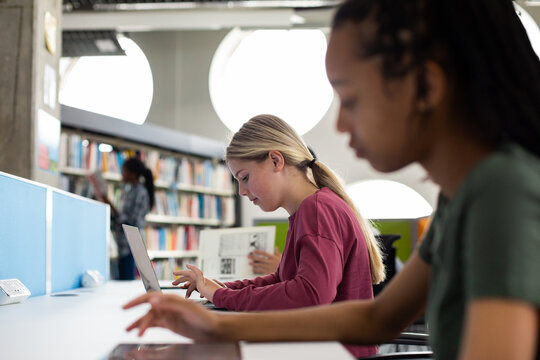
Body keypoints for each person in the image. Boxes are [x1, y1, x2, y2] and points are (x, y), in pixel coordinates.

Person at [123, 0, 540, 359]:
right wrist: (217, 325)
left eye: (351, 98)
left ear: (427, 85)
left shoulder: (501, 191)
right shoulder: (461, 196)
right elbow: (378, 316)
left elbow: (318, 298)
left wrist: (222, 306)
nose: (340, 123)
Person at [175, 114, 384, 357]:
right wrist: (220, 289)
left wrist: (223, 296)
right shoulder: (309, 209)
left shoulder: (317, 210)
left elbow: (311, 294)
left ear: (276, 160)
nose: (241, 191)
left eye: (244, 178)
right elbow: (282, 280)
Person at [105, 157, 155, 280]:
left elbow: (132, 222)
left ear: (133, 174)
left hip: (130, 245)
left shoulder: (140, 192)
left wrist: (112, 206)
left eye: (124, 170)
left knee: (126, 282)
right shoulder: (128, 190)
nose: (122, 173)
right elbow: (121, 217)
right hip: (122, 244)